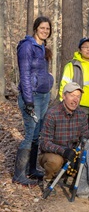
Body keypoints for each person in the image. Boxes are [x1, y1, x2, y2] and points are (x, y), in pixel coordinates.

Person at [13, 16, 54, 186]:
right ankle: (19, 174)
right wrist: (28, 101)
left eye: (48, 29)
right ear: (36, 28)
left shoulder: (42, 47)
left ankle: (31, 169)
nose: (45, 31)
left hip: (43, 96)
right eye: (42, 28)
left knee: (37, 134)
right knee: (30, 134)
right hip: (32, 97)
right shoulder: (27, 46)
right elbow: (25, 75)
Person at [39, 82, 89, 183]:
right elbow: (44, 143)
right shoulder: (52, 114)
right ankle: (48, 180)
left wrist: (78, 151)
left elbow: (85, 136)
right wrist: (63, 151)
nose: (75, 100)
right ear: (63, 96)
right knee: (55, 162)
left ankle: (69, 175)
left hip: (73, 153)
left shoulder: (82, 114)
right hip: (54, 153)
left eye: (78, 97)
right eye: (72, 96)